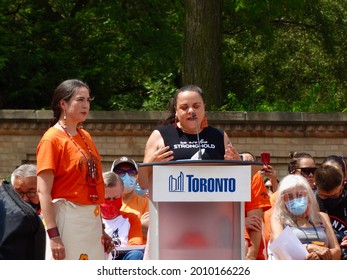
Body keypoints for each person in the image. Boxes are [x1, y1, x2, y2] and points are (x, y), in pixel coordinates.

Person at [36, 79, 111, 260]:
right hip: (67, 220)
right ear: (63, 103)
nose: (86, 105)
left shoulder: (85, 136)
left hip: (92, 220)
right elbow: (42, 191)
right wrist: (53, 235)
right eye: (80, 100)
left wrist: (101, 228)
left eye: (88, 100)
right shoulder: (51, 139)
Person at [139, 84, 240, 188]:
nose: (191, 111)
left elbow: (238, 180)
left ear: (204, 108)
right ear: (176, 110)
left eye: (196, 106)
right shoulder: (159, 135)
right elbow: (143, 184)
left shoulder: (220, 135)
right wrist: (150, 166)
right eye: (184, 107)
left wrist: (238, 164)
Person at [270, 174, 341, 260]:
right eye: (289, 196)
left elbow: (337, 251)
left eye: (300, 195)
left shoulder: (322, 217)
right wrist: (309, 247)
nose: (295, 199)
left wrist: (320, 256)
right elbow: (279, 247)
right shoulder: (278, 218)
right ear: (283, 199)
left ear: (308, 195)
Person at [264, 151, 317, 249]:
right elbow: (273, 240)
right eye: (306, 171)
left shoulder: (317, 196)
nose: (311, 175)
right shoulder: (278, 198)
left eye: (313, 171)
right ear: (293, 171)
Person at [101, 171, 144, 260]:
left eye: (115, 198)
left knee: (136, 254)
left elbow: (135, 247)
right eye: (107, 199)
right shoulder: (91, 220)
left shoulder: (131, 219)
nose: (111, 202)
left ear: (121, 196)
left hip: (122, 261)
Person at [240, 152, 272, 260]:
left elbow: (255, 223)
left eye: (251, 163)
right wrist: (240, 222)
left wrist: (251, 257)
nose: (248, 166)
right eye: (243, 161)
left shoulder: (255, 178)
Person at [111, 156, 149, 244]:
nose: (127, 176)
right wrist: (139, 223)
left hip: (138, 252)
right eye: (120, 172)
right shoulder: (107, 202)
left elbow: (149, 230)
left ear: (137, 176)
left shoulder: (147, 202)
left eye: (131, 172)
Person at [314, 160, 347, 259]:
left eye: (334, 196)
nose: (330, 200)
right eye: (323, 196)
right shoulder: (309, 203)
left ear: (342, 186)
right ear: (316, 185)